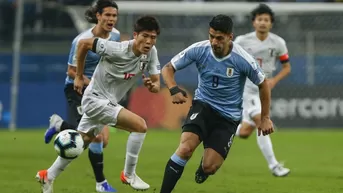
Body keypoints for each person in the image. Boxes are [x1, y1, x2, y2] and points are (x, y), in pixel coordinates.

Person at [36, 15, 161, 193]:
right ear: (135, 35)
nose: (149, 41)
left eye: (153, 37)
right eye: (145, 36)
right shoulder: (116, 49)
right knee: (140, 126)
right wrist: (78, 76)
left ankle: (48, 175)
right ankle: (129, 174)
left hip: (107, 102)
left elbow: (156, 83)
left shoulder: (151, 53)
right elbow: (83, 44)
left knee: (82, 141)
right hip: (95, 99)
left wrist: (153, 86)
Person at [159, 14, 274, 193]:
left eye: (219, 38)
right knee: (185, 149)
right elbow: (167, 68)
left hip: (228, 118)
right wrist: (173, 89)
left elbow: (263, 84)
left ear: (230, 37)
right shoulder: (199, 49)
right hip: (203, 106)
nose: (214, 41)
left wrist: (265, 117)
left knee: (209, 167)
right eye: (211, 36)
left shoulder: (242, 59)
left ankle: (203, 168)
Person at [234, 3, 291, 177]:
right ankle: (274, 166)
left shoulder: (278, 42)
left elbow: (287, 67)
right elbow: (231, 60)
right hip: (247, 88)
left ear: (271, 23)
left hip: (263, 90)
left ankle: (220, 126)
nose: (263, 22)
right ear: (254, 22)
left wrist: (274, 80)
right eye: (260, 19)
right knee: (261, 122)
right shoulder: (242, 41)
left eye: (266, 20)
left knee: (244, 133)